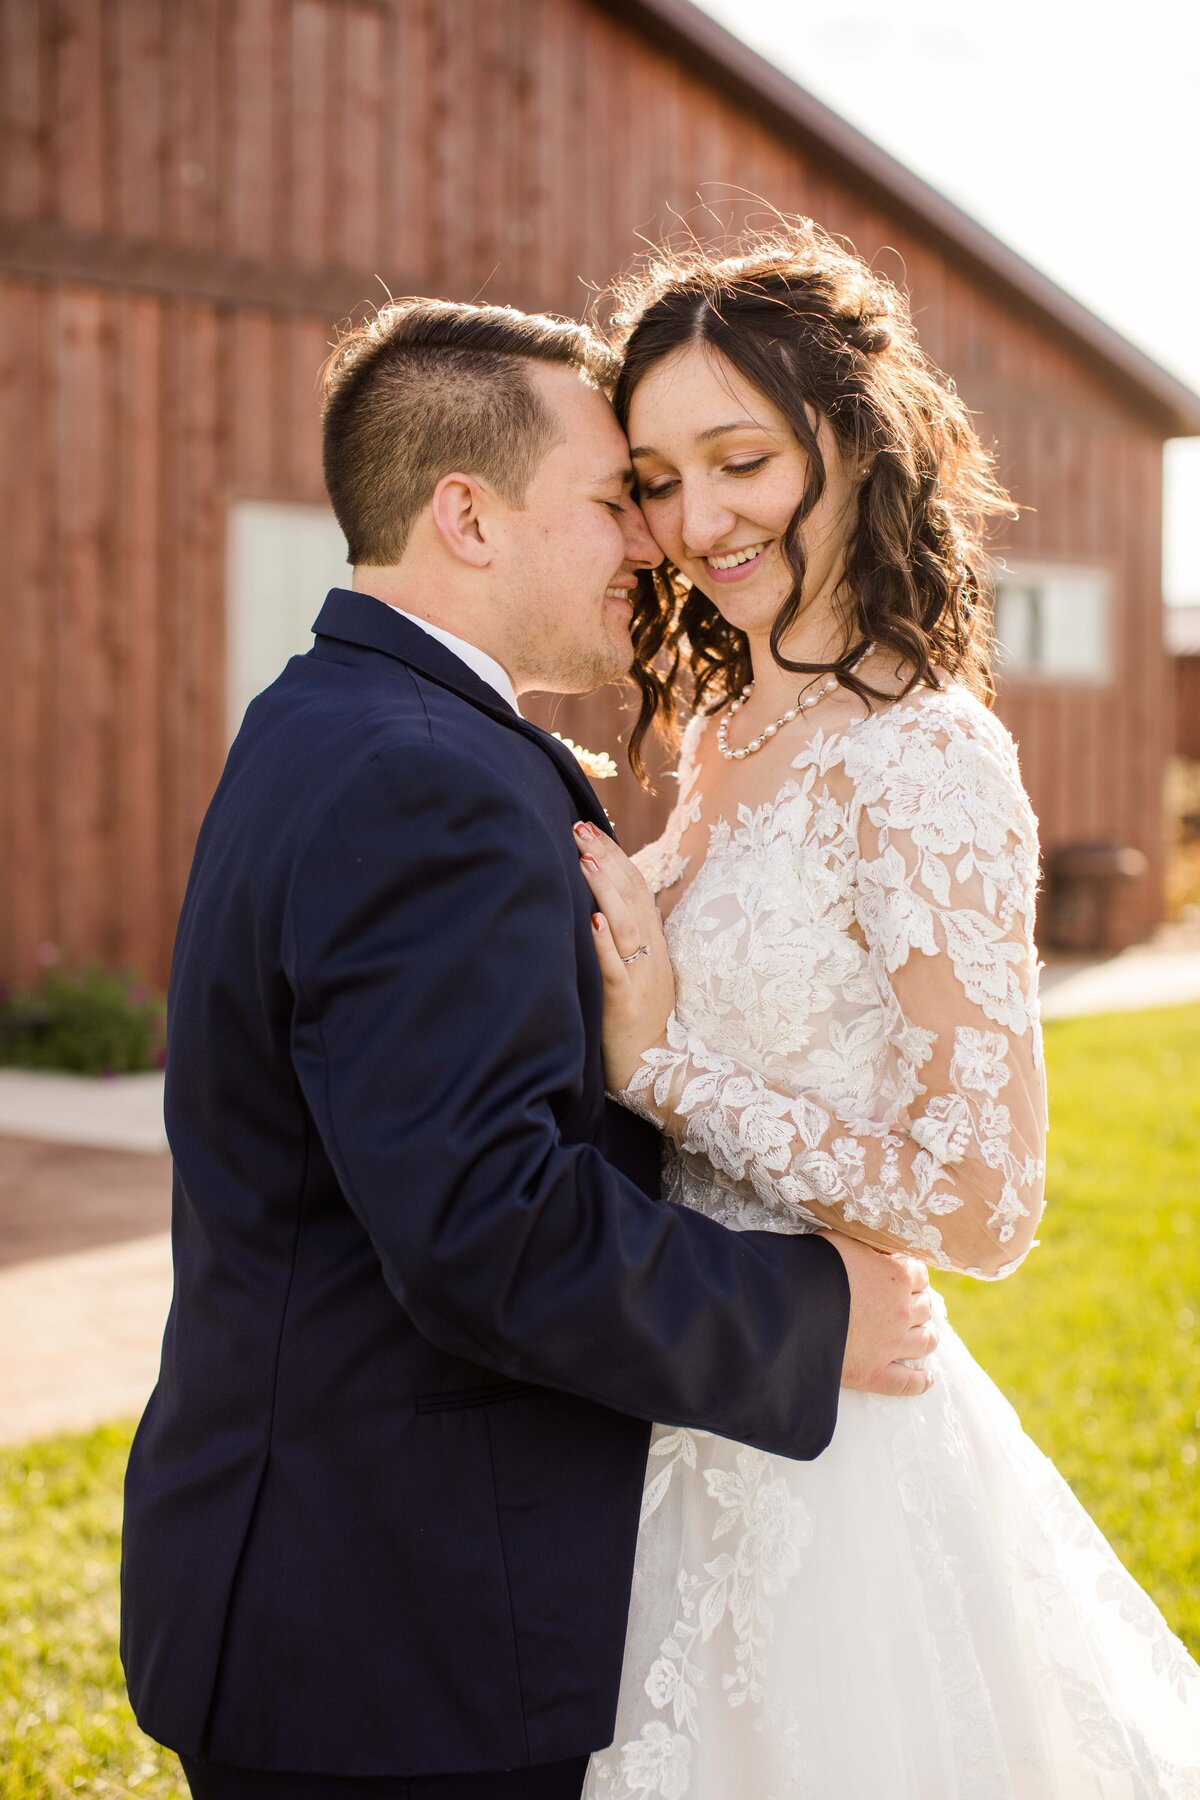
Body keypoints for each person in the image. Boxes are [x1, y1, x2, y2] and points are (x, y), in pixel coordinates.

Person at [119, 297, 939, 1800]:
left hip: (328, 1580)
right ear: (469, 519)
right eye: (615, 497)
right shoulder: (419, 775)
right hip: (388, 1629)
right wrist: (814, 1315)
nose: (651, 542)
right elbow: (488, 1230)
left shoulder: (336, 718)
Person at [577, 224, 1200, 1797]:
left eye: (740, 459)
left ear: (850, 445)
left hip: (836, 1445)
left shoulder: (924, 755)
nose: (696, 519)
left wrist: (666, 1071)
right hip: (671, 1383)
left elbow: (985, 1202)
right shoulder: (725, 728)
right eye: (655, 478)